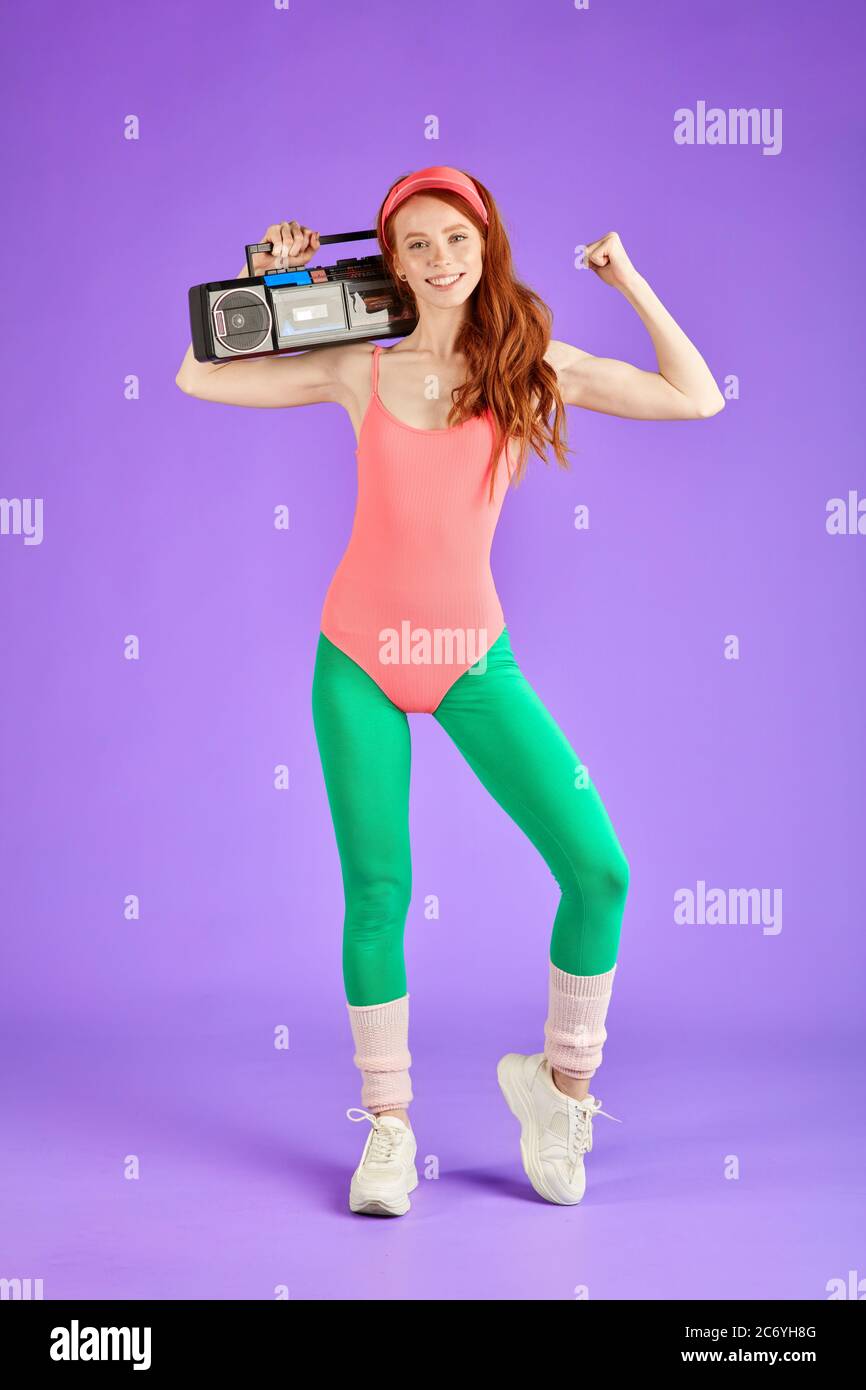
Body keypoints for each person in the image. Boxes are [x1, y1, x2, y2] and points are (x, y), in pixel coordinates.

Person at [176, 165, 724, 1217]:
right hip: (357, 661)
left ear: (485, 246)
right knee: (378, 894)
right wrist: (262, 281)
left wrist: (629, 281)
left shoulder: (528, 368)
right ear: (390, 261)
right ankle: (387, 1129)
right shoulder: (355, 367)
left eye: (454, 239)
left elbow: (693, 396)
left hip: (472, 658)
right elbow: (199, 374)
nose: (438, 259)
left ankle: (557, 1090)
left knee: (597, 870)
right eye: (415, 244)